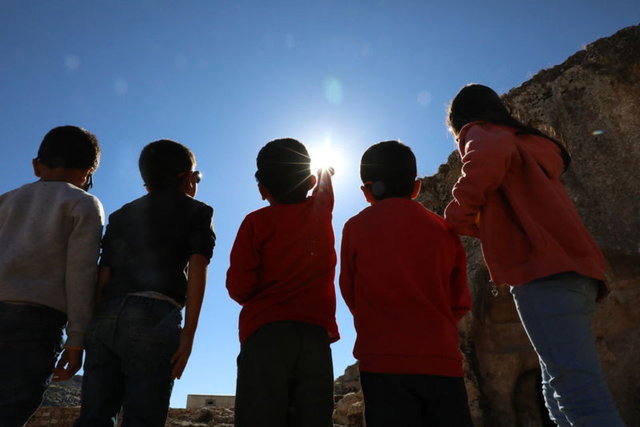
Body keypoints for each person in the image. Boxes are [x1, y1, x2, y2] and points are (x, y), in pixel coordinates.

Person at [444, 83, 625, 426]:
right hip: (578, 275)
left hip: (543, 274)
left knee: (580, 397)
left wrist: (454, 218)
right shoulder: (529, 144)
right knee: (555, 392)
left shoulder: (482, 133)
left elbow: (485, 159)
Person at [74, 139, 215, 426]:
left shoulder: (121, 215)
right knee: (143, 417)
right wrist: (188, 333)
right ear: (186, 178)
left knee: (93, 417)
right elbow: (198, 270)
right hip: (155, 315)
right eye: (196, 177)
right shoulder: (197, 211)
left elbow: (104, 272)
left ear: (147, 183)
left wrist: (94, 323)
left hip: (107, 315)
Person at [339, 140, 473, 427]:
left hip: (382, 361)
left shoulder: (355, 228)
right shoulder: (444, 230)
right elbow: (460, 301)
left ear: (366, 191)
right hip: (442, 361)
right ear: (416, 187)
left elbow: (349, 290)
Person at [227, 138, 339, 427]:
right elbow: (325, 188)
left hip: (264, 335)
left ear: (262, 189)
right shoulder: (320, 210)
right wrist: (324, 173)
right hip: (314, 336)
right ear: (310, 181)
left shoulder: (254, 223)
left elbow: (239, 288)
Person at [0, 126, 104, 426]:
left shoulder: (5, 201)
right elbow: (81, 275)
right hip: (36, 325)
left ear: (36, 165)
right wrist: (76, 340)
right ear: (88, 172)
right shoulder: (84, 204)